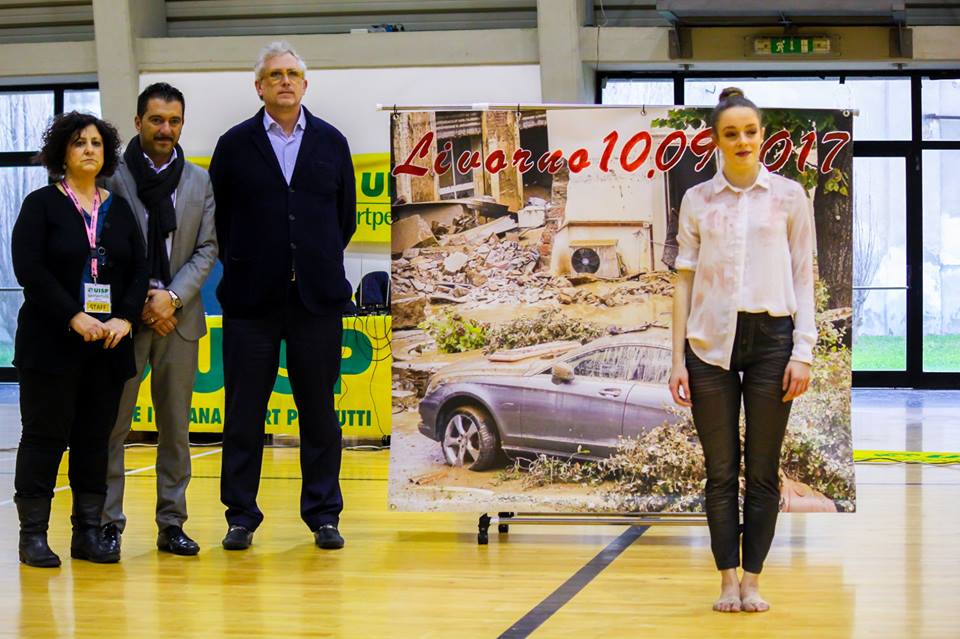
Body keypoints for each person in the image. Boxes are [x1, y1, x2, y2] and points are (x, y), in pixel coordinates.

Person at [668, 87, 816, 613]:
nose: (742, 141)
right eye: (730, 133)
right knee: (720, 470)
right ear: (716, 140)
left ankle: (753, 581)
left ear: (762, 135)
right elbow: (683, 281)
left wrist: (804, 350)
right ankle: (727, 580)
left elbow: (804, 274)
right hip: (709, 344)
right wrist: (676, 358)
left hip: (773, 341)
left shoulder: (790, 198)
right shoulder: (697, 200)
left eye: (750, 131)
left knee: (762, 470)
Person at [208, 41, 356, 550]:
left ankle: (324, 514)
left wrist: (311, 260)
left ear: (305, 84)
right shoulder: (234, 145)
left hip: (316, 301)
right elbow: (218, 220)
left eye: (293, 74)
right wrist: (251, 262)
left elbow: (344, 219)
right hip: (251, 303)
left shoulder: (332, 142)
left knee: (319, 414)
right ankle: (240, 516)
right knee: (243, 414)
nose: (285, 81)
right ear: (259, 87)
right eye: (275, 75)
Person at [12, 112, 148, 567]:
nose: (89, 149)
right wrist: (74, 315)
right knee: (44, 438)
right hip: (51, 345)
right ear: (62, 153)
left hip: (106, 348)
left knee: (94, 441)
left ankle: (87, 534)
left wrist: (125, 319)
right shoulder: (41, 205)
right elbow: (30, 270)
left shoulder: (119, 208)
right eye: (79, 143)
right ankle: (33, 536)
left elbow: (139, 270)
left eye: (96, 143)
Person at [100, 83, 218, 558]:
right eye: (156, 120)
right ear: (137, 123)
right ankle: (107, 524)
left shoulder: (198, 180)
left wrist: (170, 297)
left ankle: (172, 524)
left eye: (174, 121)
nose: (165, 129)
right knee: (114, 427)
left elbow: (207, 249)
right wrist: (141, 303)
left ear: (182, 125)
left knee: (175, 429)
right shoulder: (112, 177)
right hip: (124, 321)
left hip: (179, 320)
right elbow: (103, 250)